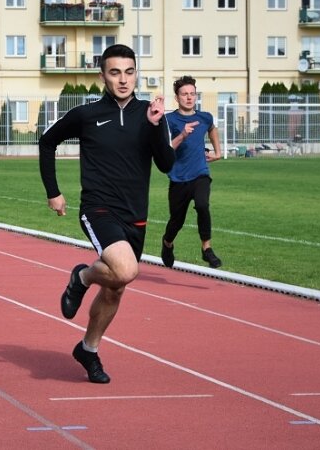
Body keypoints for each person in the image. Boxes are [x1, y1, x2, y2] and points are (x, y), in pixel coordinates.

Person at [38, 44, 175, 384]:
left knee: (115, 288)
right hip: (98, 208)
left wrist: (157, 127)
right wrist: (53, 191)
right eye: (115, 72)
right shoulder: (87, 115)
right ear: (103, 76)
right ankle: (82, 278)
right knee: (126, 270)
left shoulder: (150, 114)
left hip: (136, 215)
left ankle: (89, 348)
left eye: (129, 72)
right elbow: (47, 142)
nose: (123, 79)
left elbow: (167, 165)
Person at [161, 76, 223, 270]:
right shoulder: (169, 119)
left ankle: (207, 248)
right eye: (184, 94)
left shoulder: (205, 117)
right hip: (178, 178)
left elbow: (212, 129)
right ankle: (167, 243)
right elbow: (166, 149)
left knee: (203, 205)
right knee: (176, 222)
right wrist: (183, 134)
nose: (189, 98)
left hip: (200, 173)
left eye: (192, 94)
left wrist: (218, 152)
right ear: (177, 97)